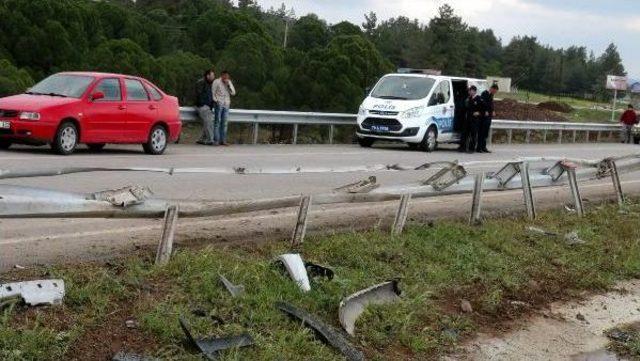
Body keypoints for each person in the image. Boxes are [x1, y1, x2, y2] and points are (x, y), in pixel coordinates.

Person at [212, 71, 236, 146]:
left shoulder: (229, 82)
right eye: (225, 76)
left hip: (226, 104)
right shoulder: (216, 82)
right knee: (217, 122)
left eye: (227, 76)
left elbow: (233, 93)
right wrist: (216, 101)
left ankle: (223, 140)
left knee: (224, 123)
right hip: (219, 103)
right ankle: (216, 140)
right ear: (222, 75)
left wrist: (228, 85)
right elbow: (213, 92)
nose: (226, 78)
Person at [459, 85, 484, 153]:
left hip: (475, 119)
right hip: (467, 119)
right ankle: (462, 147)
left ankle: (471, 148)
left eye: (471, 90)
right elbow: (465, 107)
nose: (470, 92)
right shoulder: (468, 99)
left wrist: (479, 113)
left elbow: (483, 109)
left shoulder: (479, 99)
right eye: (469, 90)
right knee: (465, 133)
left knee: (473, 134)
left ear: (474, 91)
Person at [195, 69, 216, 145]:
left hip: (207, 106)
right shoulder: (201, 83)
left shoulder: (211, 84)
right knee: (208, 121)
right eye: (212, 75)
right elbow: (199, 95)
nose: (213, 77)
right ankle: (210, 139)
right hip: (202, 106)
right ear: (207, 76)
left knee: (208, 120)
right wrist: (203, 104)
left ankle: (202, 139)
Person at [477, 84, 499, 153]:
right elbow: (483, 103)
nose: (495, 92)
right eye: (495, 91)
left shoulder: (491, 95)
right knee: (481, 132)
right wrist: (485, 110)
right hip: (483, 116)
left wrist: (493, 110)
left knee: (486, 132)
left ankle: (484, 147)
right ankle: (479, 147)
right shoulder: (484, 93)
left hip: (489, 116)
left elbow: (491, 104)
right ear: (492, 89)